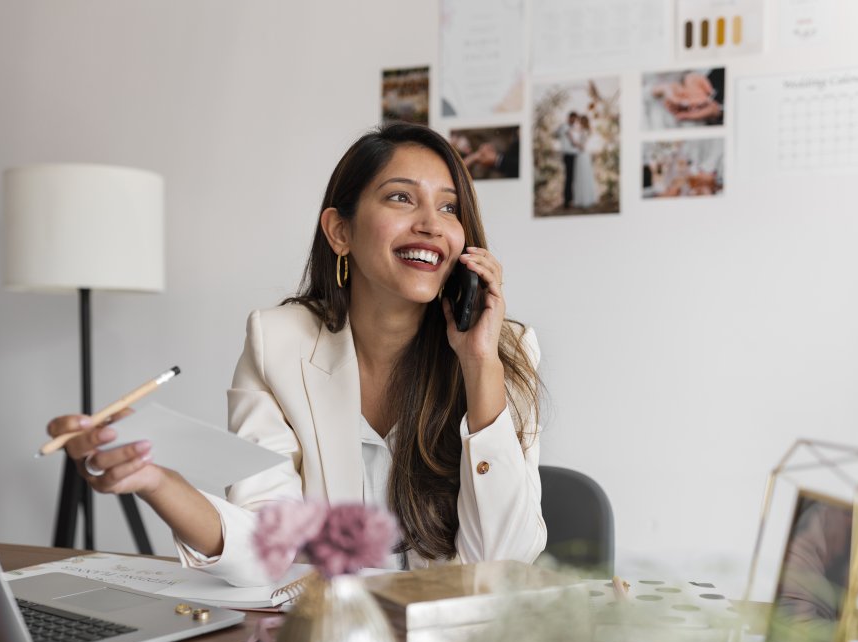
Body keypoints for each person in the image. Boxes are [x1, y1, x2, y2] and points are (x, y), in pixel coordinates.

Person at [45, 123, 546, 587]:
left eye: (449, 208)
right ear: (340, 232)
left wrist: (479, 365)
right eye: (401, 198)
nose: (432, 225)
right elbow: (270, 544)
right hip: (334, 639)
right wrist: (155, 480)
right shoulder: (278, 342)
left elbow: (501, 563)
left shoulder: (503, 351)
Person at [571, 115, 599, 208]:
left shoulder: (585, 132)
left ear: (583, 122)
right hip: (582, 155)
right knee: (582, 176)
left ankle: (584, 200)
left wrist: (574, 142)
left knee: (583, 176)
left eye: (580, 121)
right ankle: (583, 198)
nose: (578, 123)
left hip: (583, 155)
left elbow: (582, 146)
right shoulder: (584, 131)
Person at [554, 111, 579, 209]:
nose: (574, 120)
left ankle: (570, 199)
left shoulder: (570, 127)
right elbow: (572, 141)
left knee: (571, 178)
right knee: (569, 178)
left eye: (575, 119)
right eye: (573, 118)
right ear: (569, 117)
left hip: (572, 154)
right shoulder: (565, 127)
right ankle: (567, 201)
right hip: (568, 155)